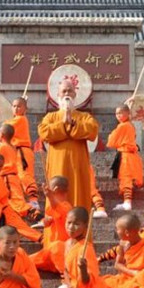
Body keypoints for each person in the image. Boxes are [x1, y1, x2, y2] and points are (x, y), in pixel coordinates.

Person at [38, 80, 99, 209]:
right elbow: (44, 133)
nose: (67, 94)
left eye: (70, 91)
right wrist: (63, 124)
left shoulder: (84, 116)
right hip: (57, 166)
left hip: (78, 166)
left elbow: (92, 131)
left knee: (78, 197)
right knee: (57, 194)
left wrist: (72, 124)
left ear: (75, 94)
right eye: (63, 91)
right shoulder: (50, 117)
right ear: (58, 95)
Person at [30, 176, 72, 288]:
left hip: (63, 253)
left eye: (50, 189)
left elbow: (57, 207)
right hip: (49, 255)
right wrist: (46, 221)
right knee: (24, 260)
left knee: (57, 246)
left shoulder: (66, 207)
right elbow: (49, 220)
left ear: (56, 189)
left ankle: (67, 279)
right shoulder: (53, 207)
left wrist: (49, 196)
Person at [107, 104, 144, 211]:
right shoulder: (129, 125)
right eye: (117, 113)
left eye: (121, 113)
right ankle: (126, 201)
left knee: (126, 178)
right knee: (126, 178)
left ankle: (127, 201)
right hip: (129, 155)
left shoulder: (123, 126)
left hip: (126, 155)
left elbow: (111, 140)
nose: (118, 115)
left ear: (127, 113)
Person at [4, 97, 40, 207]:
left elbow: (6, 128)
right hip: (16, 152)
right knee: (18, 176)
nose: (16, 108)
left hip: (23, 151)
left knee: (25, 175)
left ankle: (33, 199)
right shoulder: (16, 120)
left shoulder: (21, 119)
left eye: (19, 106)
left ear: (25, 109)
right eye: (14, 106)